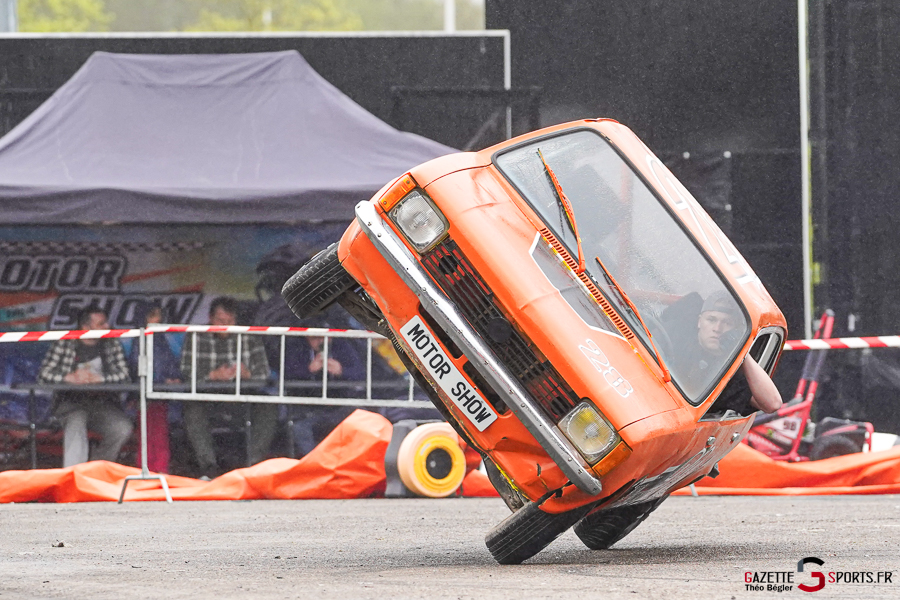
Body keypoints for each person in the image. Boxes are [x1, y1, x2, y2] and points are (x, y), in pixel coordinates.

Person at [180, 296, 273, 478]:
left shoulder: (249, 336)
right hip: (207, 397)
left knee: (268, 407)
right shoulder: (196, 336)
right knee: (192, 409)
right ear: (210, 318)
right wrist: (212, 376)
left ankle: (255, 468)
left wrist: (247, 374)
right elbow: (185, 371)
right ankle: (208, 468)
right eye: (221, 321)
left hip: (243, 396)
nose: (226, 326)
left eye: (230, 321)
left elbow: (264, 373)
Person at [37, 305, 133, 467]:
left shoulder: (111, 343)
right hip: (68, 404)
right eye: (101, 324)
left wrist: (100, 378)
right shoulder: (65, 342)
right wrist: (67, 377)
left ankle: (96, 469)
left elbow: (124, 375)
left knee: (122, 428)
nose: (107, 327)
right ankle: (74, 474)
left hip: (101, 405)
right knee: (77, 419)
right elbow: (43, 375)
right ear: (85, 327)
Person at [683, 290, 782, 414]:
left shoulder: (729, 374)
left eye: (727, 323)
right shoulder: (678, 344)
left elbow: (772, 403)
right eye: (711, 320)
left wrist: (741, 350)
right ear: (699, 321)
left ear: (734, 330)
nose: (717, 328)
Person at [284, 315, 365, 457]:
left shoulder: (342, 346)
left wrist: (342, 371)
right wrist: (308, 370)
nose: (321, 341)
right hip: (308, 406)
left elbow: (361, 373)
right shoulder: (297, 348)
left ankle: (349, 461)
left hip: (340, 405)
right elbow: (287, 375)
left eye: (325, 337)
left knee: (360, 421)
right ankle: (313, 462)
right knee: (298, 427)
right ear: (307, 338)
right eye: (315, 338)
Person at [127, 300, 180, 473]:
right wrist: (162, 380)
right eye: (153, 315)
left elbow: (169, 362)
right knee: (147, 434)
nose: (159, 319)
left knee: (160, 433)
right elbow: (138, 366)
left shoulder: (161, 338)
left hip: (160, 395)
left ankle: (161, 469)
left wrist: (173, 377)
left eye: (159, 315)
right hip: (144, 395)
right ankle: (146, 469)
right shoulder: (140, 339)